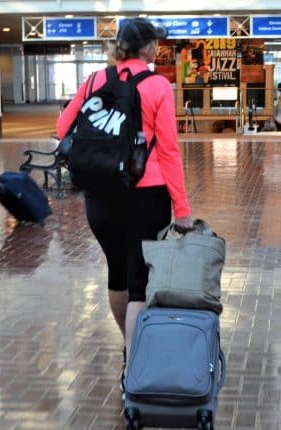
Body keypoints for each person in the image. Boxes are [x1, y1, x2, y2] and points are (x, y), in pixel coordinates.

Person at [55, 18, 194, 380]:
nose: (157, 48)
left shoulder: (94, 80)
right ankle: (135, 365)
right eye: (155, 43)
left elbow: (62, 127)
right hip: (146, 195)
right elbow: (169, 151)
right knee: (138, 282)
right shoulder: (157, 85)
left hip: (100, 195)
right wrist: (182, 208)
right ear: (147, 48)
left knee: (117, 272)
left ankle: (127, 344)